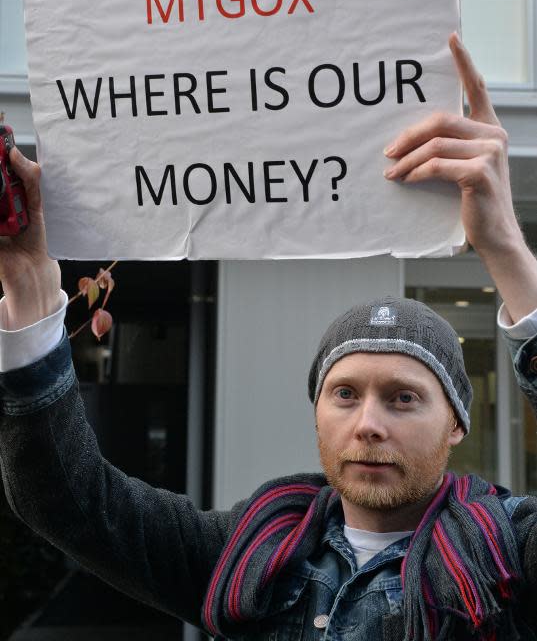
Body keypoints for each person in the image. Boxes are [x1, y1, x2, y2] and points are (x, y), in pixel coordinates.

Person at [1, 32, 537, 641]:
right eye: (344, 394)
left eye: (404, 397)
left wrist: (506, 249)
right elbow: (68, 500)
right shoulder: (239, 548)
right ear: (316, 413)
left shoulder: (512, 554)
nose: (368, 422)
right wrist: (26, 283)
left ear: (457, 422)